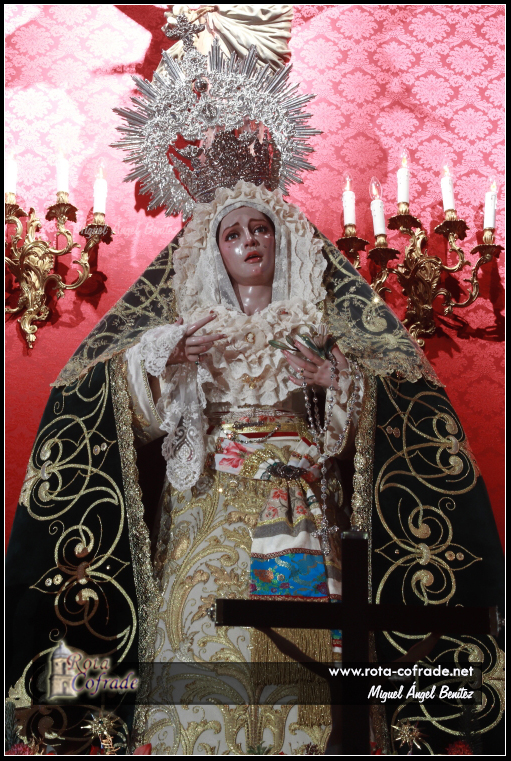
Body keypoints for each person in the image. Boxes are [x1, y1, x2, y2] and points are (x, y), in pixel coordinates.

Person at [5, 18, 504, 756]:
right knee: (205, 644)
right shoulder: (180, 331)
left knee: (299, 656)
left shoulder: (316, 325)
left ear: (281, 240)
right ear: (214, 249)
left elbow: (360, 430)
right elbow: (126, 418)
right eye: (233, 233)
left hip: (298, 504)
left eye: (260, 229)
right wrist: (164, 362)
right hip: (207, 508)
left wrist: (339, 385)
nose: (249, 242)